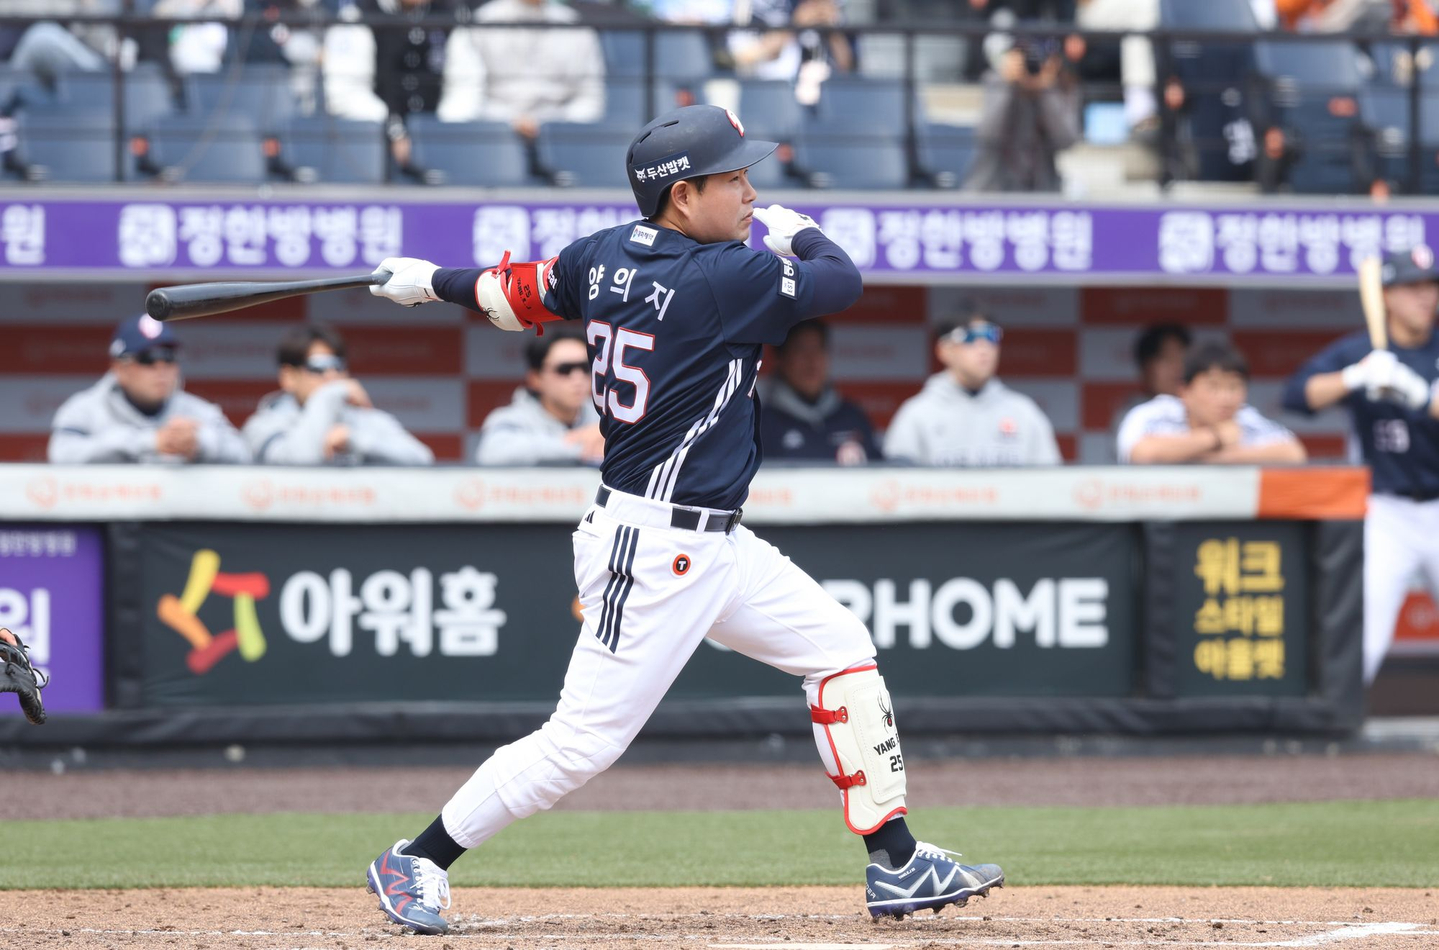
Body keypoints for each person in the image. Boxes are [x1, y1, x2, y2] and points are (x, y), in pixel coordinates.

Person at [360, 103, 1004, 935]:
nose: (749, 192)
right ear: (680, 196)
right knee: (580, 743)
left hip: (712, 540)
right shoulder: (720, 277)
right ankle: (416, 858)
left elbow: (505, 295)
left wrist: (429, 283)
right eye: (731, 180)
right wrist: (800, 231)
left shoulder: (601, 255)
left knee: (839, 647)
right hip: (653, 541)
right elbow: (841, 280)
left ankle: (897, 860)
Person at [1283, 245, 1439, 684]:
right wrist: (1354, 378)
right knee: (1363, 635)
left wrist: (1421, 396)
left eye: (1431, 287)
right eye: (1412, 288)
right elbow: (1297, 395)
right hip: (1387, 510)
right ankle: (1338, 726)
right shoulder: (1360, 351)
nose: (1426, 297)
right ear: (1385, 295)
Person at [48, 314, 250, 465]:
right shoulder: (84, 409)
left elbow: (245, 454)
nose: (161, 369)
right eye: (148, 359)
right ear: (119, 368)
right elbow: (61, 456)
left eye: (169, 358)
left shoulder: (197, 411)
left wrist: (200, 444)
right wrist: (150, 442)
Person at [242, 322, 434, 465]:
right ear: (288, 377)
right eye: (318, 368)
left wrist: (354, 439)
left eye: (337, 366)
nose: (332, 376)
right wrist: (327, 397)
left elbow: (422, 460)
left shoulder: (363, 419)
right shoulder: (262, 425)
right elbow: (300, 464)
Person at [883, 314, 1061, 466]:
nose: (984, 348)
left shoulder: (1023, 412)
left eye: (991, 336)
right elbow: (898, 489)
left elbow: (1050, 485)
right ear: (944, 350)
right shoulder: (917, 413)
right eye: (970, 337)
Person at [436, 0, 604, 140]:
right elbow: (462, 101)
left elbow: (589, 99)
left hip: (562, 139)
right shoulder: (478, 23)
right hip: (494, 138)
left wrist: (551, 127)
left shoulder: (577, 27)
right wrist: (509, 122)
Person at [1119, 340, 1306, 465]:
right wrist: (1215, 438)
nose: (1225, 398)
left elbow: (1294, 454)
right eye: (1213, 387)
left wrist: (1222, 457)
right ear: (1185, 391)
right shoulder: (1154, 413)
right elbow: (1140, 453)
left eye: (1233, 387)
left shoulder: (1245, 417)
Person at [474, 324, 604, 465]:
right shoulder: (510, 418)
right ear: (536, 378)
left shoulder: (606, 417)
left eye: (586, 368)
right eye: (564, 369)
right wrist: (577, 444)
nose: (578, 379)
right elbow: (491, 453)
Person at [758, 318, 880, 464]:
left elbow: (880, 476)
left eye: (818, 349)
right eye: (801, 350)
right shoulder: (762, 425)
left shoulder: (853, 417)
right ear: (781, 359)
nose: (812, 360)